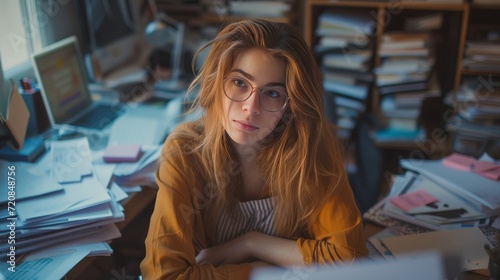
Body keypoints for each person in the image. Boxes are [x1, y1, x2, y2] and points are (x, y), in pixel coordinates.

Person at [140, 19, 368, 279]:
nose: (251, 107)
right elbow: (164, 276)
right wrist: (257, 271)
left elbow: (350, 259)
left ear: (291, 105)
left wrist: (251, 243)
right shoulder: (184, 151)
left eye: (272, 93)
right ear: (216, 82)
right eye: (239, 82)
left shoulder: (312, 149)